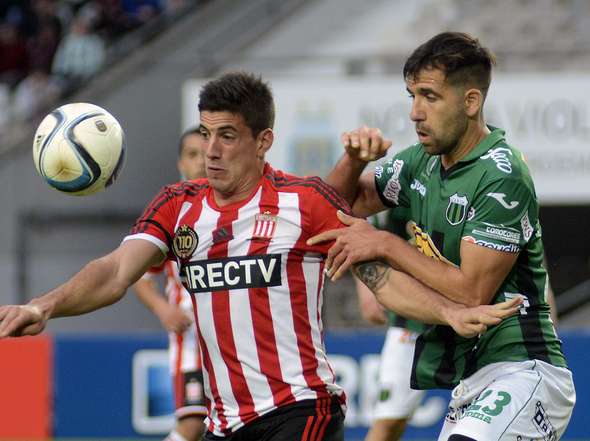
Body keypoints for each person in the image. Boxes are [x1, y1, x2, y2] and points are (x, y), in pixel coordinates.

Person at [0, 71, 518, 440]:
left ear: (263, 140)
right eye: (207, 134)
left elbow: (380, 277)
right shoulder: (177, 206)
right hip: (224, 423)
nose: (212, 151)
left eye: (227, 136)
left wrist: (447, 310)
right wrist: (44, 305)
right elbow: (115, 270)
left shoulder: (304, 202)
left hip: (302, 410)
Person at [309, 32, 576, 440]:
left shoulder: (501, 174)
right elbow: (335, 207)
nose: (415, 113)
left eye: (429, 97)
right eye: (412, 95)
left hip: (525, 370)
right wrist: (352, 161)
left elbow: (471, 293)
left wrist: (385, 243)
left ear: (470, 102)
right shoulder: (421, 162)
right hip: (471, 381)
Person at [132, 127, 207, 441]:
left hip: (236, 340)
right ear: (181, 163)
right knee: (192, 425)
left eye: (206, 153)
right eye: (192, 154)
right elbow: (140, 277)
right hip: (191, 341)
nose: (201, 161)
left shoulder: (235, 208)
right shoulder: (172, 213)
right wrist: (164, 309)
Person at [355, 209, 426, 441]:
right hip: (412, 319)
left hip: (473, 315)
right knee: (388, 420)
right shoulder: (401, 189)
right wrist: (366, 287)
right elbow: (359, 227)